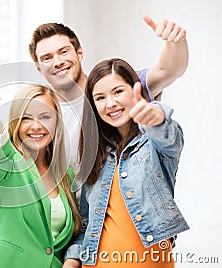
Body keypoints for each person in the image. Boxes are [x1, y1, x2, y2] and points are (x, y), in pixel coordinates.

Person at [64, 58, 189, 267]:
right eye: (100, 98)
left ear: (135, 90)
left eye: (118, 92)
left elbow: (170, 137)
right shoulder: (96, 155)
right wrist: (71, 260)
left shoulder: (152, 143)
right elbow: (86, 225)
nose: (111, 103)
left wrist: (156, 117)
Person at [28, 15, 188, 175]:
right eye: (47, 58)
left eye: (63, 52)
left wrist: (175, 42)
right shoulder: (40, 115)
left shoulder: (117, 88)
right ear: (39, 69)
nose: (57, 62)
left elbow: (167, 71)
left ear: (79, 53)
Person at [0, 72, 81, 268]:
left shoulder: (65, 176)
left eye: (45, 117)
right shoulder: (8, 163)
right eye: (26, 118)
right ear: (16, 123)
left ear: (57, 122)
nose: (36, 126)